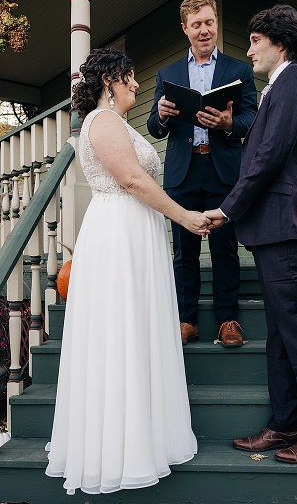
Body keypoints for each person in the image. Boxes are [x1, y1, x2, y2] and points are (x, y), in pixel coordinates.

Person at [46, 48, 205, 494]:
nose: (137, 83)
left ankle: (144, 436)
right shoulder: (102, 122)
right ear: (111, 81)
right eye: (131, 76)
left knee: (137, 332)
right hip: (119, 236)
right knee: (120, 333)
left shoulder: (117, 123)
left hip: (136, 234)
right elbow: (134, 181)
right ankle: (116, 450)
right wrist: (186, 217)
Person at [205, 4, 297, 464]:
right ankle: (286, 424)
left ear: (278, 41)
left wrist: (227, 209)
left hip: (286, 224)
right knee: (282, 334)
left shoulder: (296, 81)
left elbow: (267, 156)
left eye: (255, 42)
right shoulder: (278, 86)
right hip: (274, 226)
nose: (249, 51)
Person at [147, 0, 258, 348]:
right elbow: (154, 126)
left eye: (209, 22)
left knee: (225, 248)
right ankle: (186, 320)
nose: (204, 29)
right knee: (184, 251)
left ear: (216, 24)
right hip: (183, 170)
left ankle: (228, 321)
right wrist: (162, 115)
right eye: (197, 24)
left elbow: (251, 117)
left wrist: (228, 123)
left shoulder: (238, 71)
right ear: (186, 29)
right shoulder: (169, 74)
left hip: (223, 168)